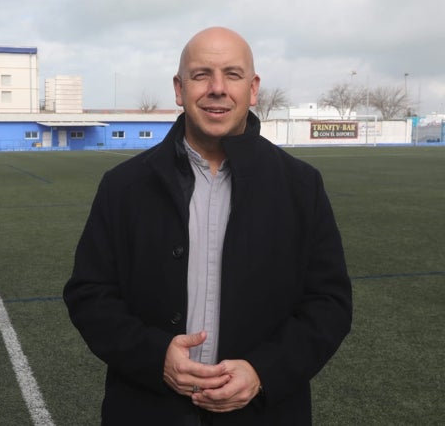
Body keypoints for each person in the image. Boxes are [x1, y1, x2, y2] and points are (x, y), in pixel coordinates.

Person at [63, 27, 352, 425]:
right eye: (201, 75)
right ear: (179, 90)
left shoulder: (301, 186)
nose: (217, 88)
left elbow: (329, 304)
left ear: (253, 89)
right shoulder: (124, 186)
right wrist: (154, 357)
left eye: (232, 74)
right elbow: (89, 294)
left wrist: (262, 372)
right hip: (145, 412)